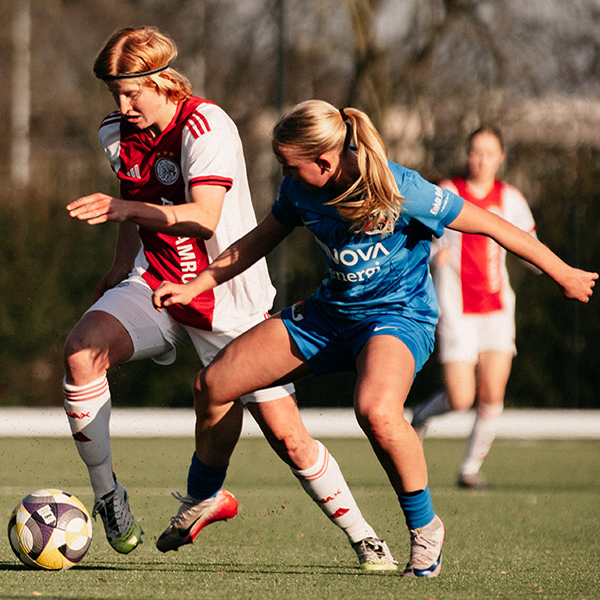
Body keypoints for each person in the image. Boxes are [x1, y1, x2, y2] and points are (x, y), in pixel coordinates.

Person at [152, 99, 596, 577]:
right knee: (212, 385)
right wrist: (197, 283)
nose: (285, 173)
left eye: (290, 165)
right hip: (329, 315)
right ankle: (205, 496)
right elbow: (258, 240)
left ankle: (426, 530)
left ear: (324, 161)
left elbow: (492, 225)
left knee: (377, 411)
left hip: (397, 318)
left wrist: (563, 272)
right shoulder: (299, 191)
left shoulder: (400, 188)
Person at [63, 27, 397, 570]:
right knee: (82, 350)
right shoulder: (115, 131)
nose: (121, 106)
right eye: (113, 94)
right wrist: (121, 267)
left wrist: (128, 211)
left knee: (287, 436)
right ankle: (108, 497)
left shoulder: (206, 123)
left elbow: (204, 216)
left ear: (162, 81)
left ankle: (364, 537)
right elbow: (132, 197)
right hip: (156, 284)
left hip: (226, 295)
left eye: (131, 93)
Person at [411, 126, 536, 489]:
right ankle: (421, 415)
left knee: (492, 394)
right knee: (461, 398)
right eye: (475, 151)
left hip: (497, 311)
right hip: (456, 310)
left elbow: (529, 244)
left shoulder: (510, 197)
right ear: (467, 154)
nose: (480, 159)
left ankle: (469, 469)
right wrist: (436, 254)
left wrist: (553, 269)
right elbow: (418, 239)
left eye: (488, 152)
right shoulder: (447, 193)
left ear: (501, 157)